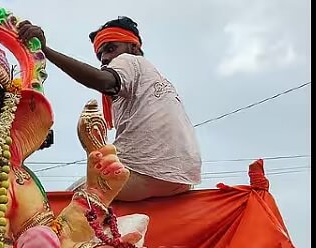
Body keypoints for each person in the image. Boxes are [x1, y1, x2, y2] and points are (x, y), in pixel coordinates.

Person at [17, 17, 200, 201]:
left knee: (64, 203)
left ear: (133, 48)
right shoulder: (153, 77)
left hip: (146, 171)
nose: (104, 58)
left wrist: (46, 51)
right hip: (183, 178)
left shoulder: (129, 61)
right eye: (100, 55)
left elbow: (103, 81)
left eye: (111, 48)